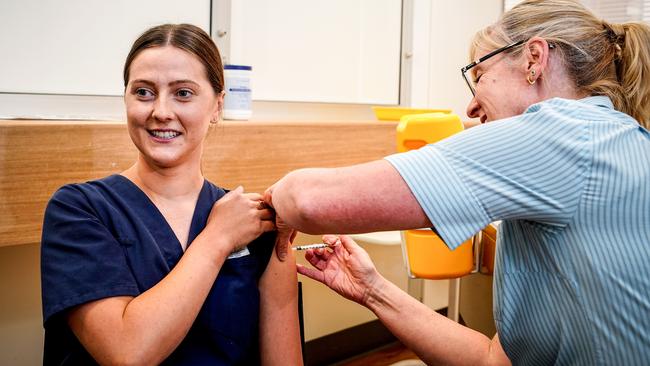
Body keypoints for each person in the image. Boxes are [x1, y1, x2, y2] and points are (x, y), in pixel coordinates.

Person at [265, 1, 650, 364]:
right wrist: (372, 290)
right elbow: (492, 360)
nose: (470, 107)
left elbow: (309, 200)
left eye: (479, 74)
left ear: (534, 59)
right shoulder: (609, 136)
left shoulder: (562, 135)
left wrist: (273, 200)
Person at [40, 24, 302, 365]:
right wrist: (218, 238)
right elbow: (126, 353)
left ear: (218, 106)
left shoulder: (258, 227)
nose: (161, 111)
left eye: (183, 93)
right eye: (144, 92)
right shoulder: (79, 210)